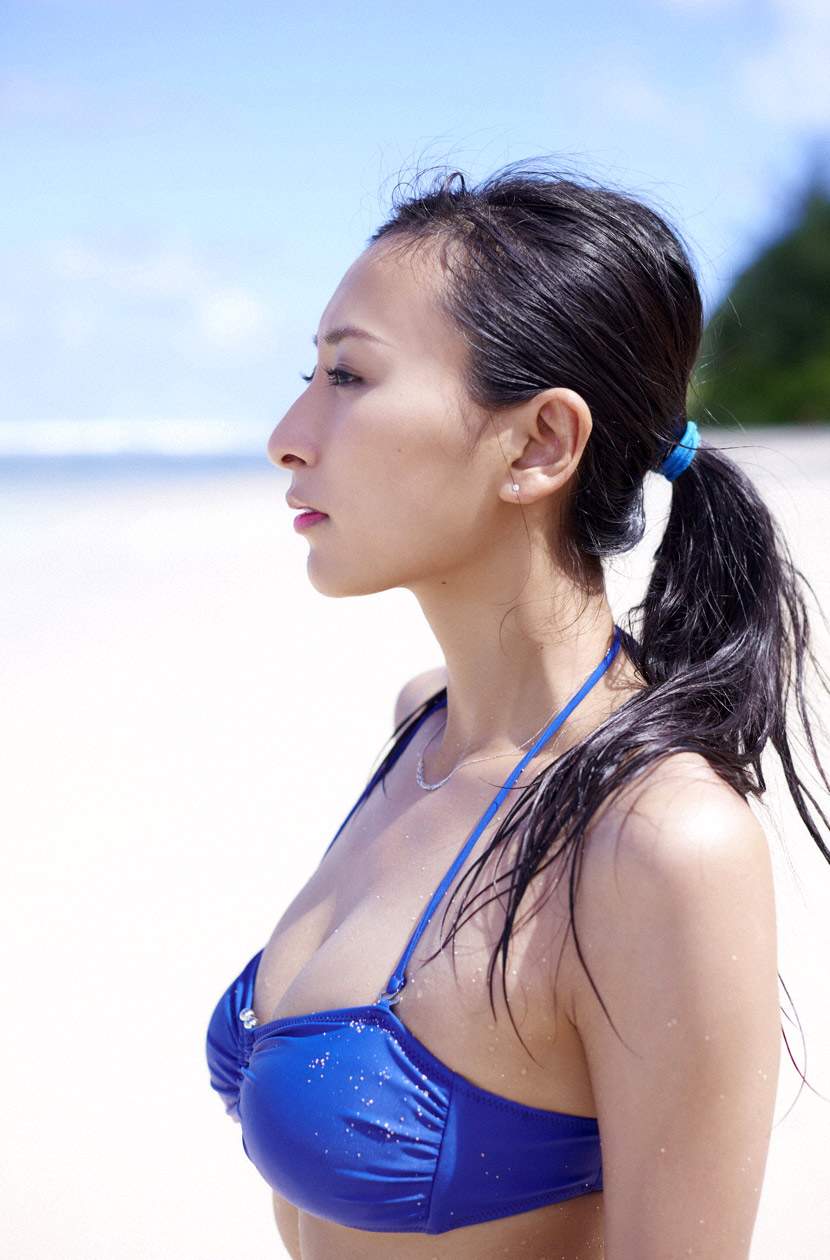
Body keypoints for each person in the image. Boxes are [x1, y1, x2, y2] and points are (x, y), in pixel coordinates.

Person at [206, 159, 830, 1260]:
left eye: (349, 376)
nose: (288, 434)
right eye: (311, 371)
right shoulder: (423, 729)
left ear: (539, 444)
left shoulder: (657, 840)